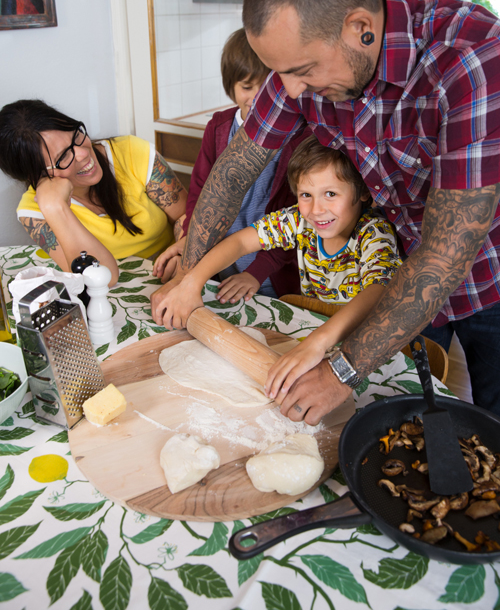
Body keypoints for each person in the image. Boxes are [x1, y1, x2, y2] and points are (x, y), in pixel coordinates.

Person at [151, 0, 500, 422]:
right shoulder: (302, 60)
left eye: (302, 71)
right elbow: (233, 171)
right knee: (412, 418)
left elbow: (446, 252)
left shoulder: (470, 57)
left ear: (360, 28)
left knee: (493, 421)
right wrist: (192, 279)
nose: (291, 89)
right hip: (402, 282)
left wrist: (341, 370)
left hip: (489, 272)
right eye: (279, 73)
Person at [165, 134, 401, 402]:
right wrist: (192, 281)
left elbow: (380, 290)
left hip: (364, 350)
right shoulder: (300, 221)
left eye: (331, 194)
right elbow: (242, 242)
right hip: (317, 335)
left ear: (363, 193)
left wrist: (318, 341)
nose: (317, 209)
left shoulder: (374, 234)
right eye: (306, 195)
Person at [153, 28, 309, 301]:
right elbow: (200, 195)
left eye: (267, 89)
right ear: (231, 86)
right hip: (219, 266)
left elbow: (297, 220)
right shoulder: (219, 128)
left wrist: (257, 272)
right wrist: (187, 248)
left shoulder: (299, 137)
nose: (258, 100)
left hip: (274, 275)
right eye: (247, 87)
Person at [0, 99, 187, 286]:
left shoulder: (132, 152)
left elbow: (187, 215)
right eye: (63, 157)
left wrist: (182, 250)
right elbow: (100, 280)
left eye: (76, 135)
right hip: (111, 297)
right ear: (37, 176)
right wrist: (56, 208)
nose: (82, 153)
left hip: (178, 277)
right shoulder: (35, 211)